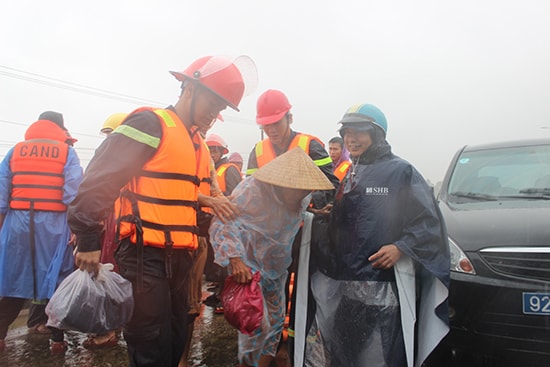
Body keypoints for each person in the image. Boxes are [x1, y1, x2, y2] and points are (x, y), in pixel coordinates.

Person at [67, 55, 257, 367]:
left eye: (222, 107)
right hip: (145, 255)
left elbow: (182, 201)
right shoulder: (150, 124)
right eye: (214, 101)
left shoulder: (195, 141)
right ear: (189, 88)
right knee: (150, 344)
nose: (216, 112)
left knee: (175, 338)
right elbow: (100, 178)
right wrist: (87, 239)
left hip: (180, 257)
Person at [305, 104, 450, 367]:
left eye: (359, 132)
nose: (351, 139)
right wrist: (315, 219)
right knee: (344, 354)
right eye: (347, 132)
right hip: (348, 287)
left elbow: (428, 221)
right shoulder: (350, 172)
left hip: (385, 289)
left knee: (384, 357)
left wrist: (401, 247)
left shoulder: (402, 172)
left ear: (377, 134)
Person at [209, 147, 334, 367]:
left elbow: (289, 215)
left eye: (307, 191)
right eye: (299, 190)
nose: (303, 195)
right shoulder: (252, 191)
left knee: (275, 327)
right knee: (256, 327)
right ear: (284, 184)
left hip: (276, 270)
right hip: (248, 270)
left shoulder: (301, 198)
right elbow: (223, 221)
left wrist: (316, 213)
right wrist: (235, 260)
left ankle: (261, 364)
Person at [246, 89, 338, 362]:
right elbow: (251, 191)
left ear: (289, 117)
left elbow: (331, 185)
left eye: (276, 122)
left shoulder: (310, 145)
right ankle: (271, 347)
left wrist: (303, 202)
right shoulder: (259, 150)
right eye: (266, 124)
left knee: (302, 294)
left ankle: (297, 349)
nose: (271, 129)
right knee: (270, 295)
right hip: (270, 238)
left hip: (305, 235)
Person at [0, 111, 83, 355]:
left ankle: (0, 336)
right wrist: (76, 229)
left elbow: (2, 194)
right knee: (56, 281)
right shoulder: (67, 152)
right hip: (55, 224)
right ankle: (57, 341)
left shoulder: (15, 151)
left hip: (18, 223)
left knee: (14, 281)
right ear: (60, 128)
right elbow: (73, 193)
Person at [81, 112, 129, 349]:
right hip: (106, 221)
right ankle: (108, 327)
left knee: (115, 272)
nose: (111, 139)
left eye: (115, 134)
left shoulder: (132, 158)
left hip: (122, 222)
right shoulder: (106, 156)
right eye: (108, 134)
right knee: (103, 272)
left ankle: (111, 328)